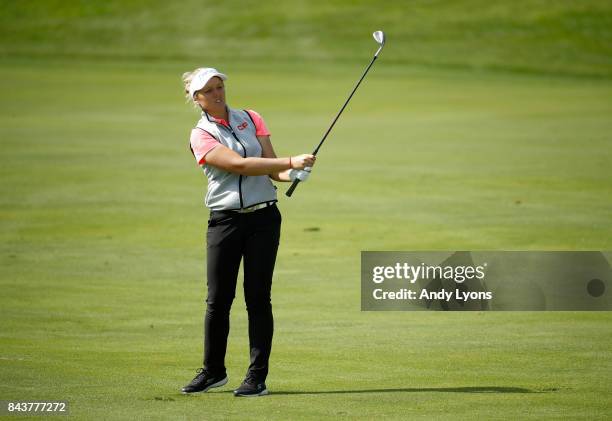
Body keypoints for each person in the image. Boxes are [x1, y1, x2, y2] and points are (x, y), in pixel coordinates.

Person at [179, 68, 315, 397]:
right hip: (225, 221)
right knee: (218, 301)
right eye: (208, 91)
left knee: (258, 298)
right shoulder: (201, 135)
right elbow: (238, 165)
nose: (217, 94)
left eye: (219, 86)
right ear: (196, 99)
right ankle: (213, 371)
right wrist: (290, 161)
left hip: (264, 220)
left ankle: (256, 377)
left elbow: (270, 168)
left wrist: (292, 174)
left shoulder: (251, 118)